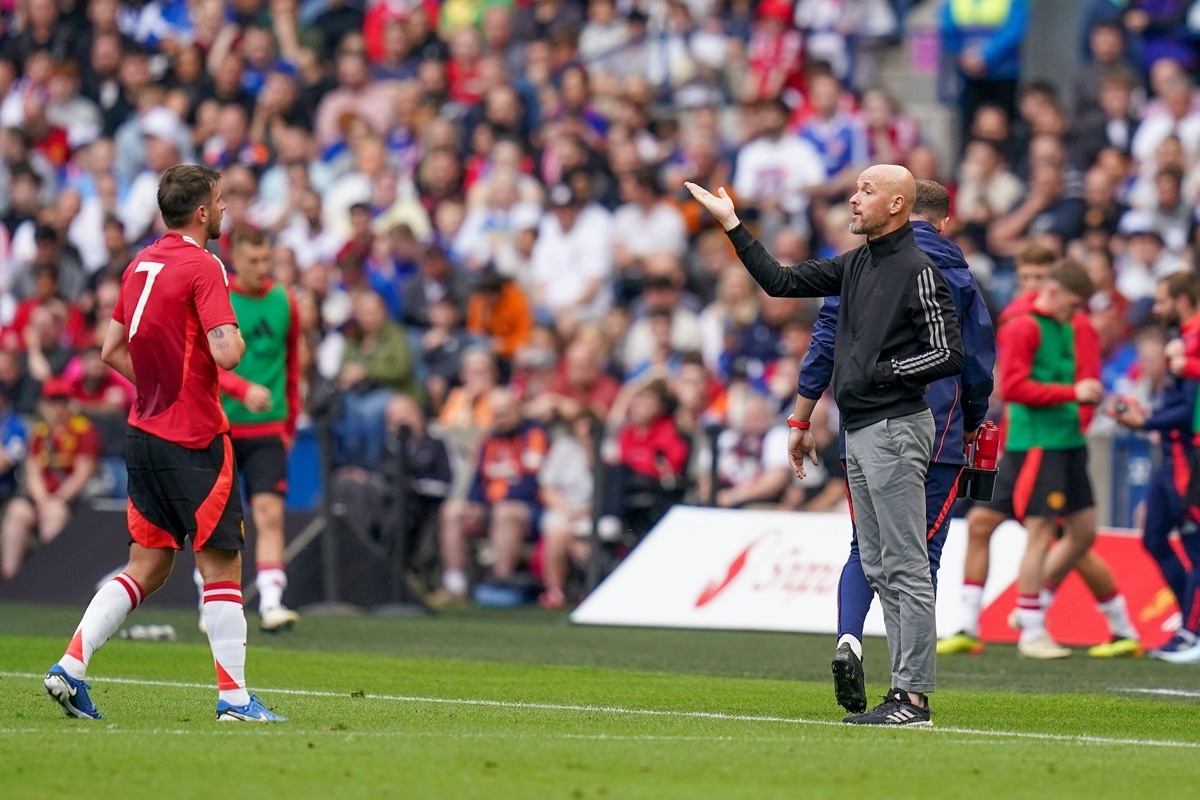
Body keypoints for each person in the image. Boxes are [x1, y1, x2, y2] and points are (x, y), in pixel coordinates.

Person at [686, 165, 964, 726]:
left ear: (897, 205)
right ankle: (903, 694)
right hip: (862, 430)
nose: (853, 199)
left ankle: (912, 699)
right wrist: (733, 224)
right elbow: (780, 282)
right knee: (881, 563)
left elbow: (948, 353)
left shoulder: (919, 268)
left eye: (866, 191)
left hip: (894, 428)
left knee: (905, 565)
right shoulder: (858, 263)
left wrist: (882, 373)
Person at [42, 164, 285, 723]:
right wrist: (233, 342)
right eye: (219, 201)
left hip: (143, 433)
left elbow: (110, 350)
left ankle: (70, 667)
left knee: (148, 565)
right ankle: (234, 700)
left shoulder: (139, 264)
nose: (224, 209)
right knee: (222, 565)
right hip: (195, 438)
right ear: (201, 212)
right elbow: (227, 353)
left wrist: (159, 385)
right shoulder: (205, 265)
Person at [797, 180, 996, 715]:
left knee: (866, 549)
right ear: (944, 221)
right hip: (936, 431)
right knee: (918, 557)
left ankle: (851, 639)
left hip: (862, 424)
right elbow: (974, 358)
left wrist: (803, 412)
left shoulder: (859, 265)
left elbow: (824, 339)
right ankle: (910, 692)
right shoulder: (955, 272)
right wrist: (973, 418)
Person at [939, 260, 1141, 659]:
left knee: (1076, 534)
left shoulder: (1070, 324)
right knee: (1025, 528)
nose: (1027, 286)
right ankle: (1017, 625)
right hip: (1033, 444)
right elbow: (1017, 387)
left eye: (1035, 277)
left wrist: (1090, 406)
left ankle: (1054, 614)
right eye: (1024, 278)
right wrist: (1075, 397)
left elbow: (1086, 381)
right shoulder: (1023, 323)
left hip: (1057, 440)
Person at [190, 225, 302, 634]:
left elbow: (292, 367)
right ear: (235, 258)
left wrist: (289, 424)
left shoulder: (285, 301)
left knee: (270, 514)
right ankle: (210, 602)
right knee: (214, 520)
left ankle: (271, 602)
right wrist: (240, 388)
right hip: (219, 424)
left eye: (266, 259)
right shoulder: (218, 299)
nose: (262, 267)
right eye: (253, 260)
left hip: (267, 429)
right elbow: (203, 362)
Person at [1115, 276, 1200, 662]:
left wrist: (1146, 422)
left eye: (1162, 301)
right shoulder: (1183, 339)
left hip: (1187, 456)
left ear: (1181, 301)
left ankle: (1190, 633)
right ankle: (1188, 621)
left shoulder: (1191, 341)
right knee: (1153, 538)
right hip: (1172, 456)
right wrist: (1148, 416)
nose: (1156, 308)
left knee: (1196, 544)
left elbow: (1188, 409)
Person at [0, 377, 99, 580]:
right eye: (52, 402)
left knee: (53, 516)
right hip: (41, 495)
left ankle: (48, 578)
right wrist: (42, 500)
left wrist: (56, 499)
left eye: (61, 402)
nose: (56, 408)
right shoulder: (40, 432)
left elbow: (83, 473)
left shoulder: (83, 430)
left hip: (68, 496)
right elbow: (33, 470)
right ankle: (10, 577)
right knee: (17, 512)